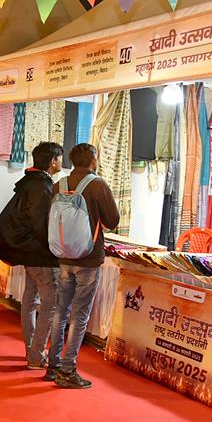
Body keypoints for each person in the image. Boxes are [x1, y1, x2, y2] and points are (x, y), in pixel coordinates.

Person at [46, 143, 120, 389]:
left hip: (63, 256)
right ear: (93, 160)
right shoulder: (97, 185)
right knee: (80, 314)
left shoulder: (60, 184)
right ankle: (69, 369)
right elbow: (112, 220)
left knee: (60, 310)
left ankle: (53, 365)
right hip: (88, 258)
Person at [0, 142, 63, 369]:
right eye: (60, 158)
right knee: (50, 303)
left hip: (28, 250)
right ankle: (36, 355)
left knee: (31, 300)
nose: (61, 163)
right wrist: (54, 249)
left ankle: (31, 349)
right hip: (38, 252)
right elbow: (41, 223)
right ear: (53, 161)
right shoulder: (41, 187)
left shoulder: (30, 183)